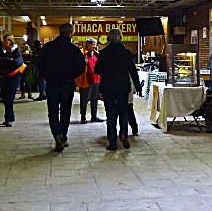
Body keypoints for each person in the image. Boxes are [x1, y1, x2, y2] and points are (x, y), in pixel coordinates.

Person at [37, 23, 85, 152]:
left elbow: (39, 64)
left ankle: (57, 134)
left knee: (52, 111)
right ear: (70, 33)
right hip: (67, 83)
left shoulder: (47, 48)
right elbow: (81, 66)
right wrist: (73, 76)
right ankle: (63, 135)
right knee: (65, 111)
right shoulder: (73, 49)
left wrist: (46, 75)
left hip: (51, 83)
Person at [94, 29, 142, 151]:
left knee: (110, 114)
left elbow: (97, 70)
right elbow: (133, 71)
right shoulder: (126, 53)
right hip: (123, 86)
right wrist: (138, 86)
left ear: (109, 38)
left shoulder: (104, 53)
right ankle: (123, 134)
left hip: (108, 87)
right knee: (124, 111)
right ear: (121, 38)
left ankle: (113, 143)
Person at [0, 34, 25, 127]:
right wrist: (7, 61)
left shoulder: (16, 51)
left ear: (11, 41)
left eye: (6, 40)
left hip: (13, 77)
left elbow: (18, 62)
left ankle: (8, 118)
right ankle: (11, 116)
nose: (4, 42)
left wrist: (6, 61)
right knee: (5, 98)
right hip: (3, 77)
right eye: (3, 40)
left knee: (9, 98)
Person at [76, 38, 103, 124]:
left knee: (95, 99)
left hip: (96, 80)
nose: (95, 46)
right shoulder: (81, 53)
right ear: (88, 44)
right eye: (93, 44)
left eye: (95, 44)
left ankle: (94, 116)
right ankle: (83, 116)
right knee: (84, 99)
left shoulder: (96, 54)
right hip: (86, 80)